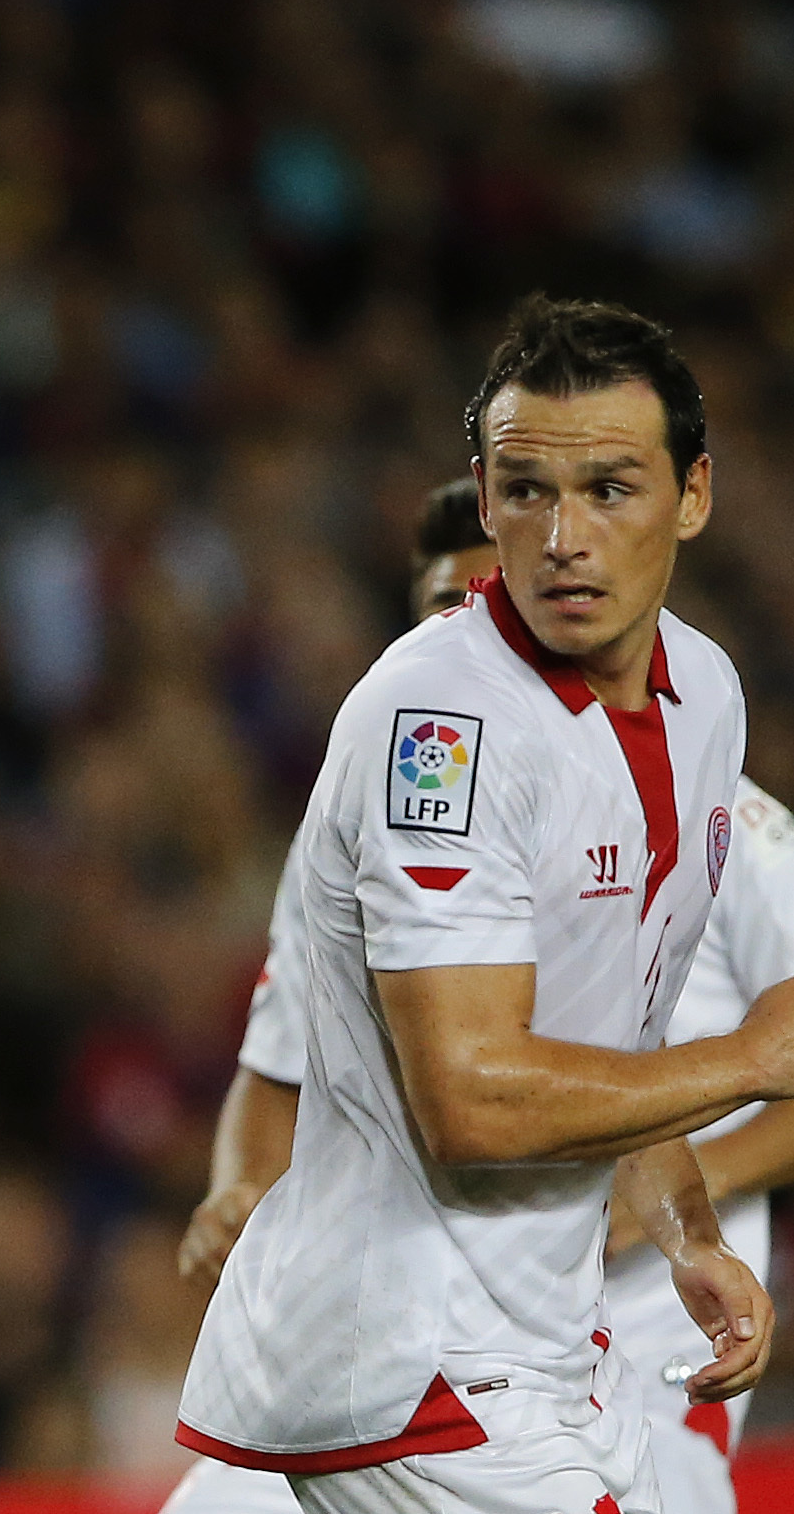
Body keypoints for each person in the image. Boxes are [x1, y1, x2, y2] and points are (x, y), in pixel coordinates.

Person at [175, 295, 794, 1514]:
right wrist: (754, 1056)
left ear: (696, 494)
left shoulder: (706, 694)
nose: (563, 536)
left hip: (549, 1344)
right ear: (486, 493)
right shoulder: (443, 727)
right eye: (524, 490)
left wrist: (686, 1231)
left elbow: (615, 1040)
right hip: (416, 1361)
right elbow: (469, 1099)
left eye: (610, 488)